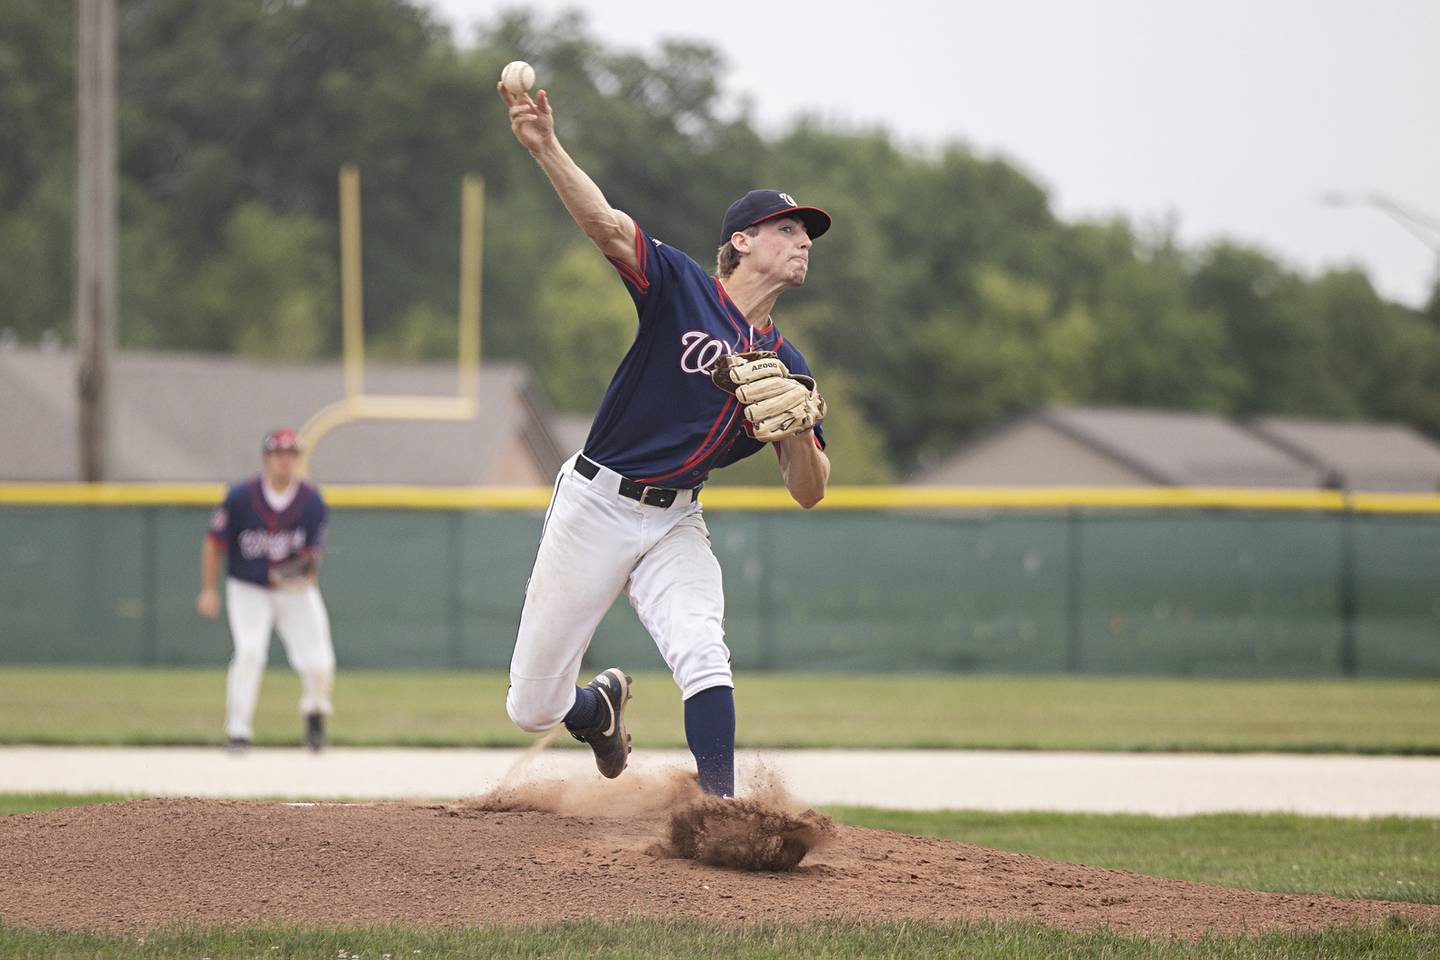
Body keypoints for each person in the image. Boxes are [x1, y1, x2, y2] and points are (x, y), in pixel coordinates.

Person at [498, 80, 832, 797]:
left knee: (702, 647)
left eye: (807, 235)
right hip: (596, 503)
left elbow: (808, 491)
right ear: (741, 242)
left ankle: (720, 808)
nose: (803, 240)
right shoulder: (682, 286)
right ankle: (597, 709)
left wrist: (800, 432)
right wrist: (546, 145)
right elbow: (608, 227)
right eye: (786, 229)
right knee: (531, 707)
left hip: (677, 517)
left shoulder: (791, 366)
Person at [197, 428, 335, 754]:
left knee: (319, 661)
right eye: (278, 453)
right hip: (248, 588)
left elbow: (312, 560)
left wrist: (293, 575)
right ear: (266, 458)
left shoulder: (311, 501)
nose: (285, 460)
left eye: (291, 454)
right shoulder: (241, 497)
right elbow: (213, 542)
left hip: (294, 592)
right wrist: (208, 589)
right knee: (249, 652)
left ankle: (315, 713)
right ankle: (238, 732)